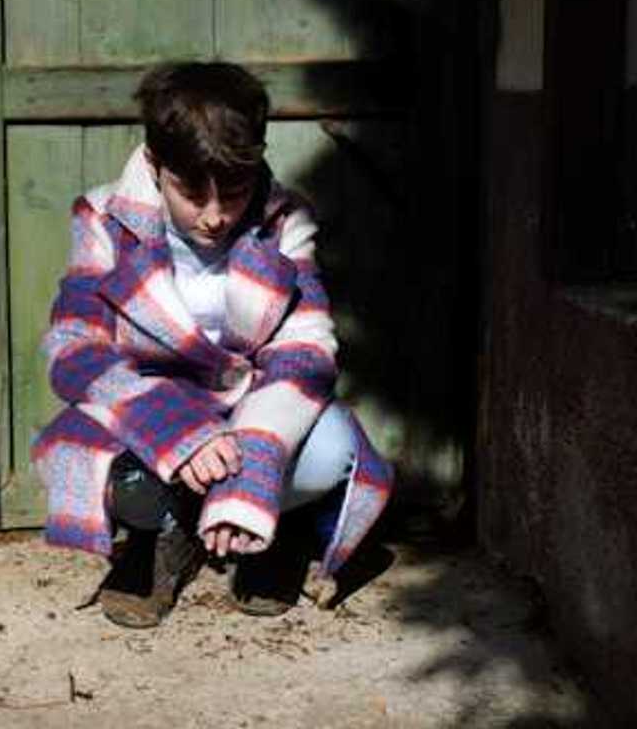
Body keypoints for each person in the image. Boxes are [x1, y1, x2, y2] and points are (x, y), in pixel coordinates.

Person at [32, 61, 393, 628]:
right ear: (155, 166)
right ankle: (165, 533)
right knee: (108, 469)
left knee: (331, 452)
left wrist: (252, 466)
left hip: (254, 401)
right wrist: (175, 431)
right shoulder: (103, 218)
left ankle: (272, 531)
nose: (215, 216)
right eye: (191, 192)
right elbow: (74, 348)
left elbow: (305, 350)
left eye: (234, 192)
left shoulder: (285, 220)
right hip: (148, 404)